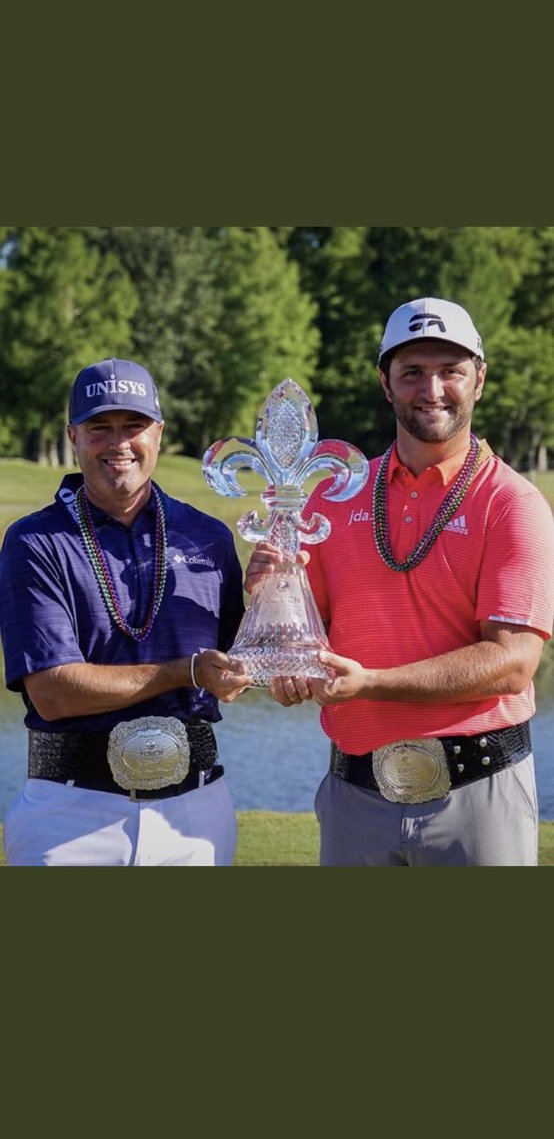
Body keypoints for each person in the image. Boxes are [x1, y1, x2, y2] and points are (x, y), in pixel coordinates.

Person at [245, 297, 554, 866]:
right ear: (385, 383)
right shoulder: (334, 497)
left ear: (479, 380)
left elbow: (512, 663)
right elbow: (311, 638)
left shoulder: (512, 503)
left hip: (476, 792)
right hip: (354, 793)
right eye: (412, 372)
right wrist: (273, 611)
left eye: (450, 371)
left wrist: (370, 683)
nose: (431, 389)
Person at [0, 357, 252, 866]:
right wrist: (187, 672)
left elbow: (241, 662)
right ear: (73, 435)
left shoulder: (208, 535)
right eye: (100, 427)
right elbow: (52, 693)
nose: (119, 443)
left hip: (195, 810)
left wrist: (275, 592)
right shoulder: (35, 541)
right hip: (71, 812)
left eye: (134, 426)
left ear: (159, 432)